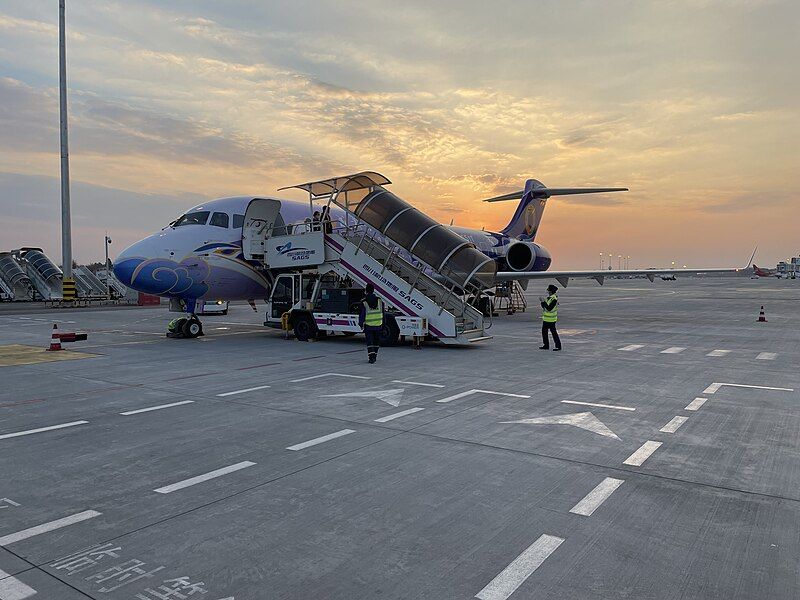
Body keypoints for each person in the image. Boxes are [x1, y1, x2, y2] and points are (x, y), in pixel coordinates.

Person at [358, 283, 384, 363]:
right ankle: (375, 356)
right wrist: (384, 324)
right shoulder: (380, 301)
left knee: (370, 342)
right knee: (376, 341)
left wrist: (360, 324)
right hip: (378, 325)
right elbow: (383, 314)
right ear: (373, 290)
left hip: (368, 326)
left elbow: (362, 314)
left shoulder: (364, 302)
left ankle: (371, 357)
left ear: (366, 291)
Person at [539, 284, 561, 351]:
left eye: (548, 290)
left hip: (551, 320)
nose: (547, 291)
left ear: (551, 291)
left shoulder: (554, 299)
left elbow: (549, 308)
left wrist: (543, 302)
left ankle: (558, 346)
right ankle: (546, 345)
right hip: (546, 319)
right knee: (544, 332)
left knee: (554, 333)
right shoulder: (549, 298)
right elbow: (544, 307)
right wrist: (542, 302)